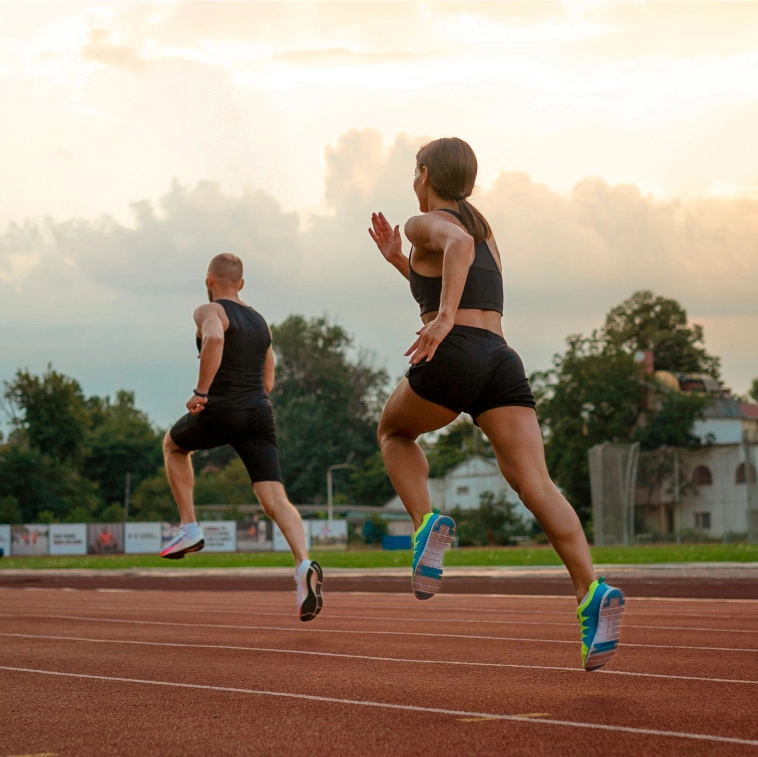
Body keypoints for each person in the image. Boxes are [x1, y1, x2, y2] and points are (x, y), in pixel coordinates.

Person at [368, 137, 624, 671]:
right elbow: (454, 272)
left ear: (424, 173)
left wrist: (439, 322)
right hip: (499, 359)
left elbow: (452, 249)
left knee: (394, 433)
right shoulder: (487, 232)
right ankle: (589, 591)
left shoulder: (429, 224)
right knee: (537, 484)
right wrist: (400, 262)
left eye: (413, 174)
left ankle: (425, 523)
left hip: (453, 350)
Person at [161, 253, 323, 622]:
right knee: (275, 498)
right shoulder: (260, 322)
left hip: (223, 407)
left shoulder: (208, 310)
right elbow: (268, 379)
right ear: (242, 283)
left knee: (173, 445)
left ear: (209, 279)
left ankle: (189, 527)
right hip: (259, 413)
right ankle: (303, 565)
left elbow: (215, 339)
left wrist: (202, 392)